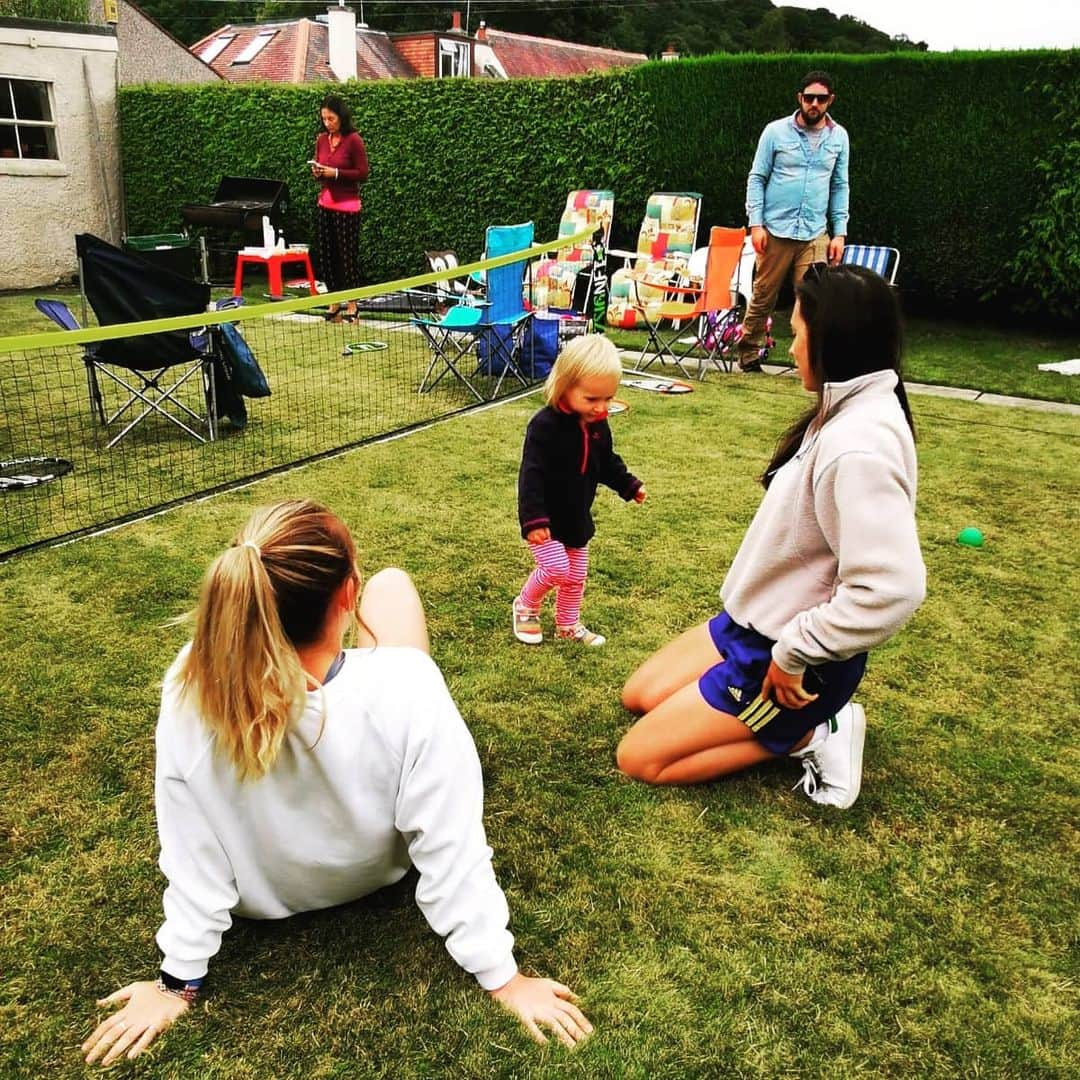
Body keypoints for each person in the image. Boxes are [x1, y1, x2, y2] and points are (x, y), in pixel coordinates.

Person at [81, 501, 592, 1067]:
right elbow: (451, 847)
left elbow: (189, 844)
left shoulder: (190, 681)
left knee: (391, 637)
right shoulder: (408, 687)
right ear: (346, 595)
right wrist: (504, 977)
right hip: (375, 872)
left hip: (258, 900)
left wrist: (177, 982)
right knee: (394, 589)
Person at [617, 264, 925, 808]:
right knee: (639, 696)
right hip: (748, 625)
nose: (789, 341)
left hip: (788, 663)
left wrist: (794, 653)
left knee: (641, 759)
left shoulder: (859, 448)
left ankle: (813, 733)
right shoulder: (845, 408)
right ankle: (766, 712)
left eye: (799, 330)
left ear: (833, 340)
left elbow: (892, 589)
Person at [513, 335, 646, 648]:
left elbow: (607, 463)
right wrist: (533, 520)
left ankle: (568, 624)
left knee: (575, 576)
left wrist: (629, 485)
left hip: (576, 519)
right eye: (591, 399)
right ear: (565, 386)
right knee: (556, 568)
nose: (601, 408)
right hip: (545, 521)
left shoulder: (598, 425)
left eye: (608, 398)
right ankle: (525, 605)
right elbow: (530, 475)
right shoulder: (544, 426)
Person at [737, 70, 850, 373]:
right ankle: (748, 354)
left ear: (830, 101)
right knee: (763, 296)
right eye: (809, 97)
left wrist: (839, 233)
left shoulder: (839, 137)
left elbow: (840, 185)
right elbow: (757, 178)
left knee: (815, 299)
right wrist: (756, 224)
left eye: (821, 99)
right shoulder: (775, 132)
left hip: (815, 233)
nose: (815, 104)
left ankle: (811, 362)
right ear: (800, 98)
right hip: (774, 229)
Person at [310, 95, 368, 323]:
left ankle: (352, 305)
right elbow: (321, 165)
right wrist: (318, 173)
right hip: (325, 203)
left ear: (341, 118)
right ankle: (334, 302)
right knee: (327, 257)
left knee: (347, 257)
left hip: (347, 207)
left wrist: (335, 173)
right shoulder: (322, 140)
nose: (327, 123)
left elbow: (362, 173)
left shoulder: (354, 140)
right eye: (324, 119)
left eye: (331, 118)